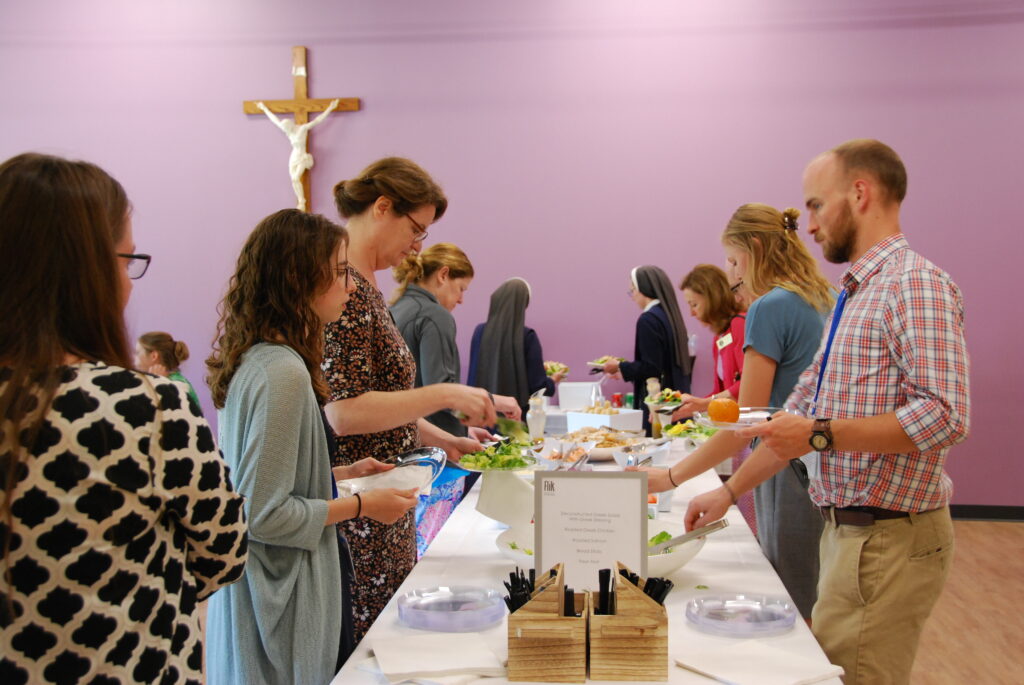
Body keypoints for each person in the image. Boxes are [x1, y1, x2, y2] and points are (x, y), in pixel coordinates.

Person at [686, 140, 969, 685]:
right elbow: (791, 416)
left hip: (888, 537)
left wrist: (820, 434)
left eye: (816, 205)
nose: (807, 224)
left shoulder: (914, 284)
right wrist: (726, 490)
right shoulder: (854, 294)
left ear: (859, 194)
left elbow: (945, 415)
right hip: (848, 535)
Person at [0, 153, 247, 685]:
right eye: (125, 259)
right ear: (83, 271)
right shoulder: (147, 406)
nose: (130, 282)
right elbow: (224, 552)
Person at [205, 209, 419, 683]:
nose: (350, 285)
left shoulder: (261, 359)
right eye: (340, 271)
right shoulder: (282, 372)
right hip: (279, 599)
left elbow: (261, 478)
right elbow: (264, 514)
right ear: (298, 279)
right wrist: (362, 505)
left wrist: (338, 475)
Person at [325, 158, 497, 641]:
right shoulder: (344, 288)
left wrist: (447, 440)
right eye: (415, 230)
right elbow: (343, 413)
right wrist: (443, 394)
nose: (417, 246)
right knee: (372, 643)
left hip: (387, 494)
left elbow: (386, 404)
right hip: (362, 501)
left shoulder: (370, 288)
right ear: (382, 208)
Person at [638, 205, 834, 619]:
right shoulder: (822, 297)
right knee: (815, 588)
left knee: (790, 591)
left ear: (756, 248)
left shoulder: (770, 306)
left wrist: (673, 476)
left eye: (733, 260)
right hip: (824, 465)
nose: (731, 275)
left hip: (787, 467)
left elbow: (748, 420)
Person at [390, 245, 521, 552]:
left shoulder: (395, 309)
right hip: (437, 458)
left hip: (404, 447)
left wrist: (464, 428)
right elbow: (442, 390)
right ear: (443, 275)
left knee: (413, 548)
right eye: (461, 289)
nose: (462, 299)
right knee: (440, 549)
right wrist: (494, 403)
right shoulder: (434, 315)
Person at [672, 264, 755, 534]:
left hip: (751, 430)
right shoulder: (721, 337)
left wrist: (705, 402)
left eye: (695, 303)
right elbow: (722, 391)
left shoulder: (740, 325)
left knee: (750, 512)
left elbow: (747, 384)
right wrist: (694, 404)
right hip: (737, 432)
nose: (693, 313)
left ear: (711, 295)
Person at [602, 265, 692, 431]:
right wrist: (624, 371)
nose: (632, 297)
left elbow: (651, 367)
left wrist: (619, 366)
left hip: (656, 403)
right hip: (674, 398)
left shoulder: (648, 319)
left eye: (632, 291)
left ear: (643, 289)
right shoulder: (669, 315)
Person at [467, 277, 565, 417]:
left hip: (482, 416)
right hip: (514, 417)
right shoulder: (527, 336)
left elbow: (474, 374)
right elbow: (537, 386)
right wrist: (552, 381)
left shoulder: (479, 331)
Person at [256, 99, 340, 211]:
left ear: (290, 125)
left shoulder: (302, 129)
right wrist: (264, 108)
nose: (286, 131)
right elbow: (275, 120)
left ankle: (302, 201)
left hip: (302, 157)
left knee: (296, 177)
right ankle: (301, 201)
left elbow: (317, 120)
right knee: (293, 179)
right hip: (294, 156)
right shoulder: (288, 132)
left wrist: (330, 108)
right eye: (285, 129)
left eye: (287, 128)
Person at [135, 331, 200, 406]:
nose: (134, 358)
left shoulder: (178, 385)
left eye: (137, 353)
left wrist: (159, 385)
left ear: (154, 356)